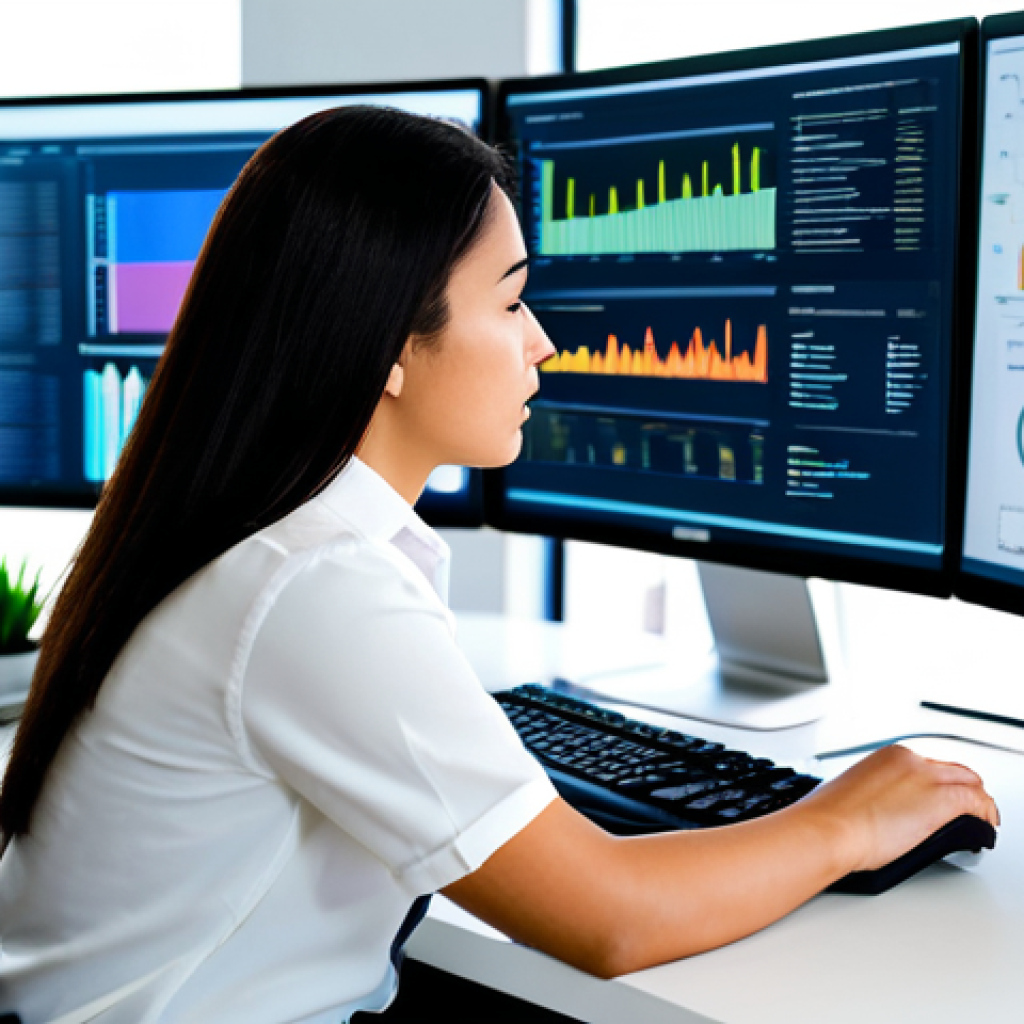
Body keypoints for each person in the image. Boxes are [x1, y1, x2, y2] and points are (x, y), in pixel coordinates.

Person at [0, 106, 999, 1024]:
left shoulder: (236, 536)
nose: (544, 344)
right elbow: (611, 918)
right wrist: (840, 822)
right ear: (390, 346)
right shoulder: (311, 586)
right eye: (512, 302)